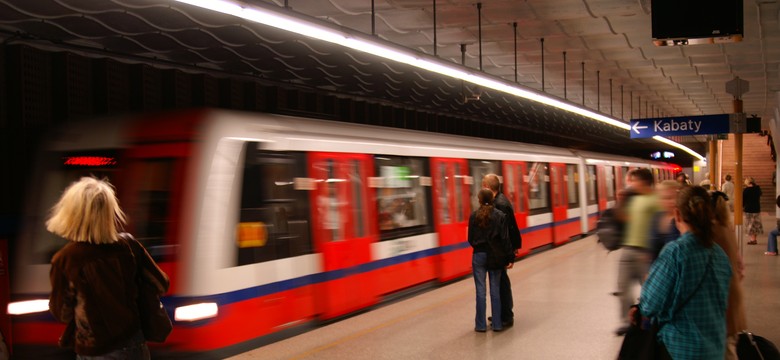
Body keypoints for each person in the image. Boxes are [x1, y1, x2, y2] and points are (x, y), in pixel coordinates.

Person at [47, 177, 169, 359]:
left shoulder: (66, 259)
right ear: (109, 212)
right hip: (133, 345)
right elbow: (161, 283)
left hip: (95, 350)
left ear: (71, 214)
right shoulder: (129, 245)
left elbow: (62, 313)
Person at [638, 186, 733, 360]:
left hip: (681, 348)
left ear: (678, 214)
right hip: (715, 348)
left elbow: (650, 304)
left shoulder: (675, 252)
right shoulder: (719, 254)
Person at [616, 168, 659, 336]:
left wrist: (653, 250)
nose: (630, 184)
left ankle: (650, 320)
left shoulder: (655, 200)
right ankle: (628, 322)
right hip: (628, 249)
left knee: (648, 289)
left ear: (643, 181)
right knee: (622, 288)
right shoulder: (633, 199)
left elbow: (659, 225)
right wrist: (621, 201)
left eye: (633, 181)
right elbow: (623, 218)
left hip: (646, 252)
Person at [467, 189, 513, 332]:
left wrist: (479, 246)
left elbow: (470, 238)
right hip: (495, 256)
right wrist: (510, 257)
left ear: (479, 200)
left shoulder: (474, 216)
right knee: (495, 290)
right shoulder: (500, 216)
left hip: (479, 256)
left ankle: (480, 325)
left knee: (480, 291)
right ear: (492, 199)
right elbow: (505, 239)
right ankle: (497, 324)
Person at [710, 190, 747, 359]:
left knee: (726, 348)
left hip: (722, 297)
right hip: (732, 293)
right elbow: (740, 267)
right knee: (728, 343)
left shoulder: (712, 231)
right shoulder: (726, 228)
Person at [482, 174, 521, 328]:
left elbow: (507, 231)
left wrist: (510, 254)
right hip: (500, 250)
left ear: (487, 186)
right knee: (500, 281)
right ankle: (501, 313)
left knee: (502, 283)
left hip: (501, 251)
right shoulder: (499, 201)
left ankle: (507, 316)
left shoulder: (500, 204)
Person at [649, 180, 681, 261]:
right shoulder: (656, 217)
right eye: (666, 198)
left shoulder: (684, 220)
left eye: (675, 197)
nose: (672, 201)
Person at [743, 177, 763, 245]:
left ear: (747, 182)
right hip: (757, 208)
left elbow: (743, 200)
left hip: (749, 209)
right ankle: (754, 239)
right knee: (756, 224)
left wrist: (742, 206)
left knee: (750, 225)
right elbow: (760, 194)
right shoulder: (757, 189)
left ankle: (752, 239)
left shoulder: (746, 190)